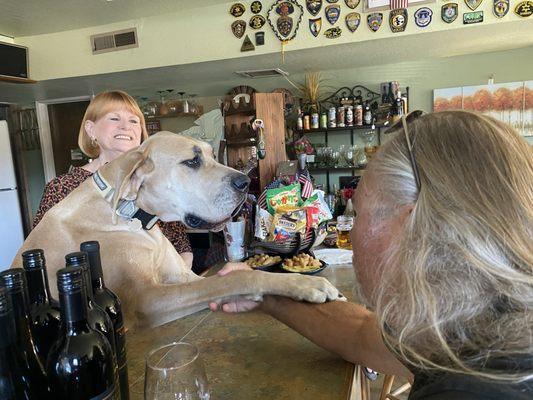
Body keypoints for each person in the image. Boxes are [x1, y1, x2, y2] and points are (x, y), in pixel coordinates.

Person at [211, 110, 533, 399]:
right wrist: (266, 293)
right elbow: (361, 334)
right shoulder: (465, 327)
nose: (350, 232)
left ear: (413, 231)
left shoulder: (471, 391)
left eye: (359, 214)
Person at [33, 90, 193, 267]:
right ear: (91, 129)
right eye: (114, 118)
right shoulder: (61, 187)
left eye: (134, 121)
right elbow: (39, 253)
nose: (126, 126)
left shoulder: (155, 183)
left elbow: (182, 249)